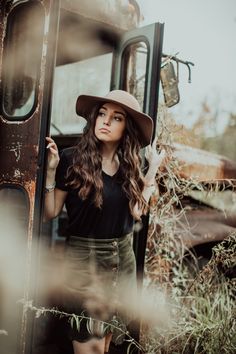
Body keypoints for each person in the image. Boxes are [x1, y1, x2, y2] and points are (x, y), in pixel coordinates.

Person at [44, 90, 165, 354]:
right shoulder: (71, 158)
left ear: (127, 128)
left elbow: (136, 212)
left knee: (108, 340)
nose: (105, 121)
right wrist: (51, 171)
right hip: (84, 261)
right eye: (102, 113)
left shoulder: (129, 166)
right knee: (91, 346)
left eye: (116, 117)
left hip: (122, 258)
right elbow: (50, 212)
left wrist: (152, 168)